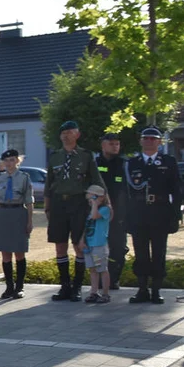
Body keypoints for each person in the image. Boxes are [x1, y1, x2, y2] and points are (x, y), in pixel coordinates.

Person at [46, 120, 103, 301]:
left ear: (77, 135)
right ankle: (65, 286)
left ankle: (77, 287)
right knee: (60, 246)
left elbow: (97, 182)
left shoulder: (86, 156)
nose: (66, 135)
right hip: (58, 205)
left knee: (79, 246)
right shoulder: (54, 156)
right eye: (63, 132)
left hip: (79, 204)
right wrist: (47, 207)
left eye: (70, 132)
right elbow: (49, 184)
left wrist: (101, 204)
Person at [126, 126, 181, 304]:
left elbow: (176, 190)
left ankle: (156, 290)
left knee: (159, 253)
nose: (149, 141)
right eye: (146, 138)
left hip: (160, 213)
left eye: (153, 138)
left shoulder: (169, 161)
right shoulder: (131, 163)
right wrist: (126, 217)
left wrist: (175, 215)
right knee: (141, 254)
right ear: (141, 141)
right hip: (139, 213)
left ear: (159, 142)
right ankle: (142, 290)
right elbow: (126, 193)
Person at [0, 149, 33, 299]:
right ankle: (9, 287)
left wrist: (29, 221)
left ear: (17, 161)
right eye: (7, 161)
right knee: (5, 252)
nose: (9, 163)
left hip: (18, 213)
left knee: (19, 252)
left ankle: (19, 287)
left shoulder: (24, 178)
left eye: (12, 160)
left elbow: (29, 201)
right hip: (3, 213)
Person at [95, 133, 129, 288]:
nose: (115, 146)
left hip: (119, 214)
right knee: (99, 247)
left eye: (117, 144)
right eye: (111, 144)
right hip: (99, 213)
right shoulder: (95, 164)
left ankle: (114, 279)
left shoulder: (124, 164)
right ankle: (100, 279)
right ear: (103, 145)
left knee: (118, 248)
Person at [81, 184, 112, 303]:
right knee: (92, 269)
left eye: (92, 197)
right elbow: (87, 226)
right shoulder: (90, 210)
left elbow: (94, 217)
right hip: (89, 245)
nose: (89, 200)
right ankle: (94, 292)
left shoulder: (105, 209)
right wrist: (82, 240)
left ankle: (105, 293)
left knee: (101, 269)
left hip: (99, 245)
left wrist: (94, 203)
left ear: (100, 198)